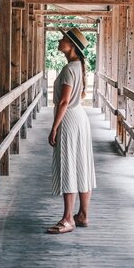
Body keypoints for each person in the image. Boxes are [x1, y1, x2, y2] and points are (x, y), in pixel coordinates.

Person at [47, 27, 96, 234]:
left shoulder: (69, 69)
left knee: (68, 165)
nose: (59, 41)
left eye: (63, 39)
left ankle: (68, 218)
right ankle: (83, 215)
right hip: (80, 118)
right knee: (82, 165)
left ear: (71, 46)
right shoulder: (77, 67)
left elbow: (64, 101)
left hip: (69, 120)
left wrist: (54, 127)